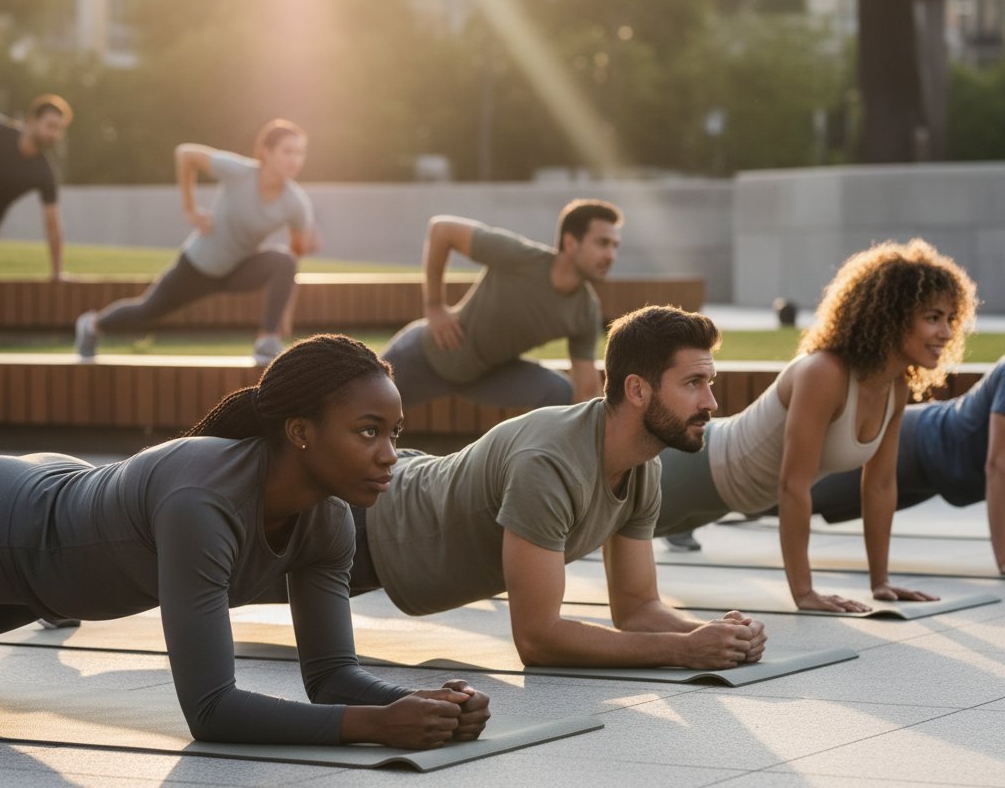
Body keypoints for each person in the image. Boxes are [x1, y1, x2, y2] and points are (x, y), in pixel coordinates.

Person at [0, 334, 490, 749]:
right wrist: (378, 727)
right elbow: (211, 710)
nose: (389, 456)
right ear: (299, 431)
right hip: (0, 520)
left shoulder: (329, 520)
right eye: (367, 431)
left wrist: (421, 706)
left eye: (394, 434)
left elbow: (332, 674)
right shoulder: (202, 501)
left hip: (37, 575)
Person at [352, 305, 767, 671]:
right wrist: (683, 651)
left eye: (709, 382)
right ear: (637, 389)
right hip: (357, 516)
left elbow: (638, 608)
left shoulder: (643, 468)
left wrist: (714, 635)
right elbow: (537, 638)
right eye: (694, 382)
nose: (711, 402)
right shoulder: (548, 463)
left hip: (388, 534)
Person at [652, 239, 977, 613]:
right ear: (892, 316)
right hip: (691, 469)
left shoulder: (896, 387)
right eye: (933, 318)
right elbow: (793, 485)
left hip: (723, 502)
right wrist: (804, 593)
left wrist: (881, 582)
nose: (947, 333)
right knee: (580, 536)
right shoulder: (825, 373)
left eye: (950, 320)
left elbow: (880, 485)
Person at [74, 119, 316, 366]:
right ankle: (92, 325)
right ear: (265, 152)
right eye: (288, 151)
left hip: (238, 270)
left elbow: (294, 257)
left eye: (300, 153)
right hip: (198, 267)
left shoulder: (296, 203)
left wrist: (283, 315)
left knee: (282, 260)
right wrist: (189, 208)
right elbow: (185, 154)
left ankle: (267, 341)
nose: (295, 159)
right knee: (147, 311)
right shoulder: (239, 172)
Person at [381, 199, 622, 409]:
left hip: (488, 375)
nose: (611, 255)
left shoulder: (585, 311)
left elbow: (588, 393)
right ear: (570, 243)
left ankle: (537, 460)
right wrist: (434, 306)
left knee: (559, 390)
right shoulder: (521, 258)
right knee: (360, 403)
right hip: (429, 356)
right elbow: (442, 229)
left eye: (614, 246)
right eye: (602, 243)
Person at [810, 357, 1005, 575]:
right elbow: (998, 465)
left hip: (935, 475)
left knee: (838, 507)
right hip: (914, 443)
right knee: (789, 495)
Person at [0, 94, 72, 277]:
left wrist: (57, 273)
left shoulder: (43, 173)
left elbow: (52, 224)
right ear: (32, 121)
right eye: (50, 126)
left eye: (59, 129)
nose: (54, 134)